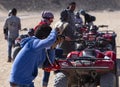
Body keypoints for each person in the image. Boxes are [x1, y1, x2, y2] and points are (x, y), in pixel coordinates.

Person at [34, 11, 54, 87]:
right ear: (47, 19)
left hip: (36, 51)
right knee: (48, 68)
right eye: (51, 20)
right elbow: (49, 43)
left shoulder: (37, 26)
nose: (51, 22)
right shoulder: (47, 28)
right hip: (43, 52)